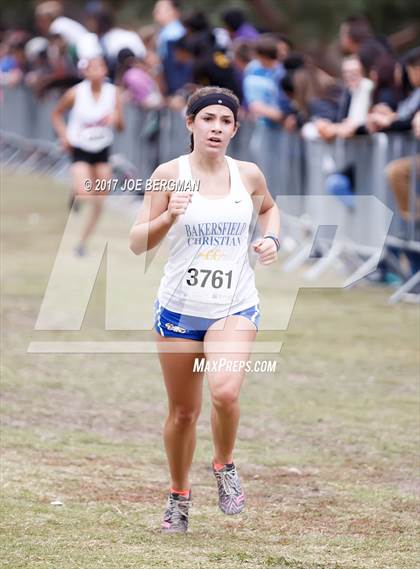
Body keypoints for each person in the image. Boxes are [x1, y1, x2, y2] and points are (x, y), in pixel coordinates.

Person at [129, 86, 280, 533]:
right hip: (179, 310)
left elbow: (270, 210)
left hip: (234, 305)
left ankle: (225, 465)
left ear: (235, 128)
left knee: (226, 393)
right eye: (207, 119)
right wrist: (167, 217)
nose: (216, 127)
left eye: (225, 121)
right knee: (183, 412)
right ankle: (178, 496)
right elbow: (139, 243)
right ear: (190, 123)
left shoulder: (248, 174)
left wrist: (270, 238)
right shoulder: (168, 174)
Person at [51, 56, 124, 256]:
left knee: (101, 198)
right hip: (80, 147)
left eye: (100, 67)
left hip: (102, 148)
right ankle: (75, 192)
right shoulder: (76, 92)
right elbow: (56, 113)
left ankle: (82, 241)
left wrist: (116, 118)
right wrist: (64, 137)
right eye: (92, 68)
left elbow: (121, 126)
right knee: (85, 191)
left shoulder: (113, 93)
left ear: (105, 71)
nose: (96, 71)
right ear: (85, 72)